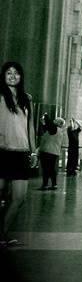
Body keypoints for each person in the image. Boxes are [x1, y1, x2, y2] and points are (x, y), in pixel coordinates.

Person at [0, 61, 37, 247]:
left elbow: (30, 127)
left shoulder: (26, 98)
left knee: (19, 198)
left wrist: (34, 151)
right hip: (2, 151)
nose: (12, 76)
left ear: (21, 77)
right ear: (3, 76)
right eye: (9, 73)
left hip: (21, 152)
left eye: (16, 73)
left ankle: (2, 234)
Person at [38, 116, 66, 190]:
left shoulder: (55, 129)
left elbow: (49, 124)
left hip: (48, 151)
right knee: (51, 169)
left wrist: (45, 117)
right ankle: (54, 184)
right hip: (54, 152)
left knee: (46, 169)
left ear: (59, 123)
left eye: (56, 120)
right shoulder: (59, 131)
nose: (54, 120)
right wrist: (44, 123)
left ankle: (45, 185)